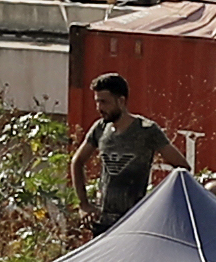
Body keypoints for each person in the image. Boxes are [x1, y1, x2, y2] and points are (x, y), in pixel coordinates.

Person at [66, 84, 170, 243]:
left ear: (121, 101)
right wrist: (84, 205)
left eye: (104, 102)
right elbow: (77, 161)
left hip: (134, 223)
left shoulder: (146, 130)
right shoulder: (100, 128)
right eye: (97, 102)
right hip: (103, 224)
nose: (99, 108)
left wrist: (156, 206)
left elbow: (181, 166)